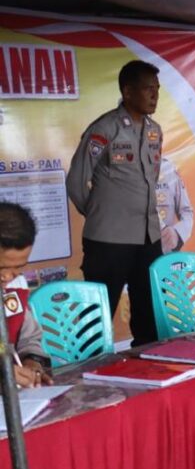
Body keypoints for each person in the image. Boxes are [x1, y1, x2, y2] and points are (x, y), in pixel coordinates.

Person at [66, 60, 165, 345]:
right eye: (148, 89)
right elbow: (76, 181)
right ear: (128, 91)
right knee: (98, 316)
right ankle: (89, 374)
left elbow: (152, 178)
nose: (154, 95)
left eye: (157, 89)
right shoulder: (105, 128)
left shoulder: (155, 130)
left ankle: (146, 369)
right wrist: (100, 214)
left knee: (148, 313)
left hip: (148, 236)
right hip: (108, 239)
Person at [0, 203, 53, 388]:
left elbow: (29, 338)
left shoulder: (15, 289)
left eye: (18, 268)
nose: (7, 276)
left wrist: (32, 363)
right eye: (2, 267)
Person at [157, 156, 194, 254]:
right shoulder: (122, 169)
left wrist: (177, 233)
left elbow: (187, 211)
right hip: (131, 252)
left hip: (164, 254)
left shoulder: (167, 168)